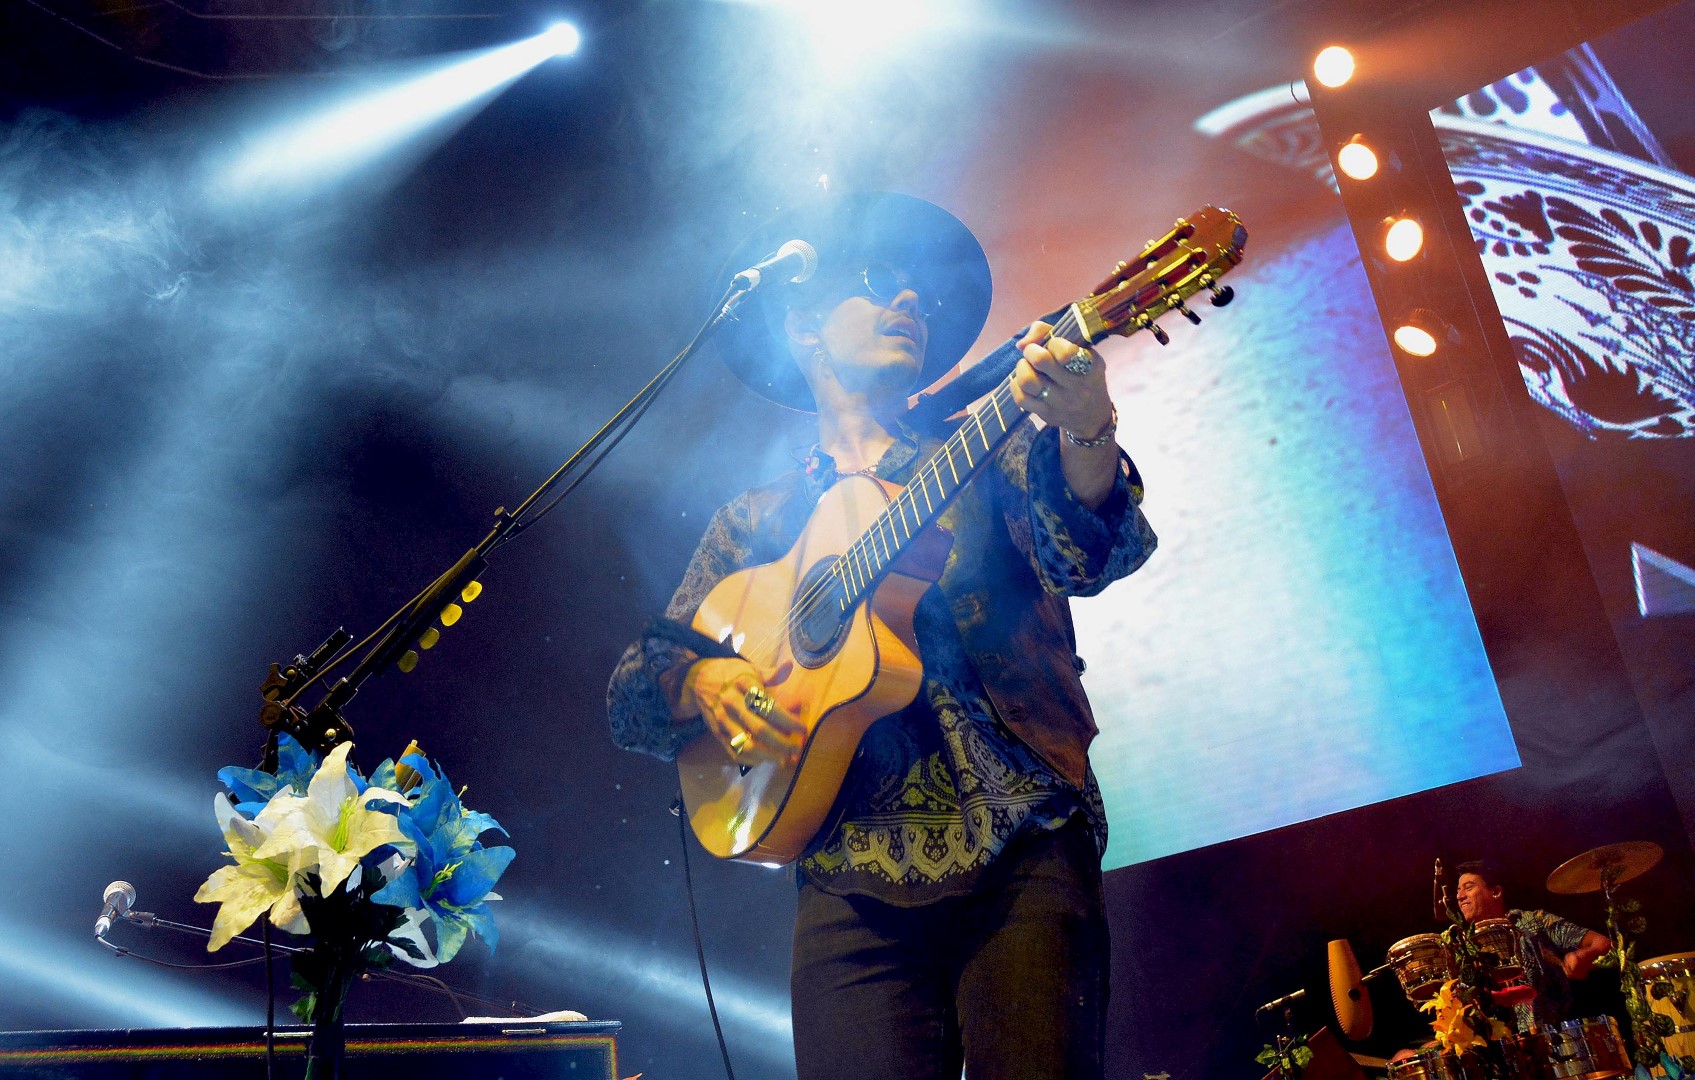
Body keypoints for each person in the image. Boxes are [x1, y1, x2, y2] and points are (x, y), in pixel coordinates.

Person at [605, 191, 1157, 1080]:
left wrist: (1087, 429)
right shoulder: (757, 522)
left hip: (1019, 834)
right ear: (803, 330)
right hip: (843, 869)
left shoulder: (989, 444)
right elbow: (636, 686)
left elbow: (1091, 557)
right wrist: (701, 682)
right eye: (874, 282)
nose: (908, 300)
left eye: (917, 294)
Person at [1453, 859, 1612, 1032]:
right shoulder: (1462, 946)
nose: (1460, 896)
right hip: (1498, 1043)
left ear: (1496, 892)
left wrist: (1582, 956)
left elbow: (1601, 942)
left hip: (1556, 1036)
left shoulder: (1533, 922)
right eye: (1458, 890)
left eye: (1468, 888)